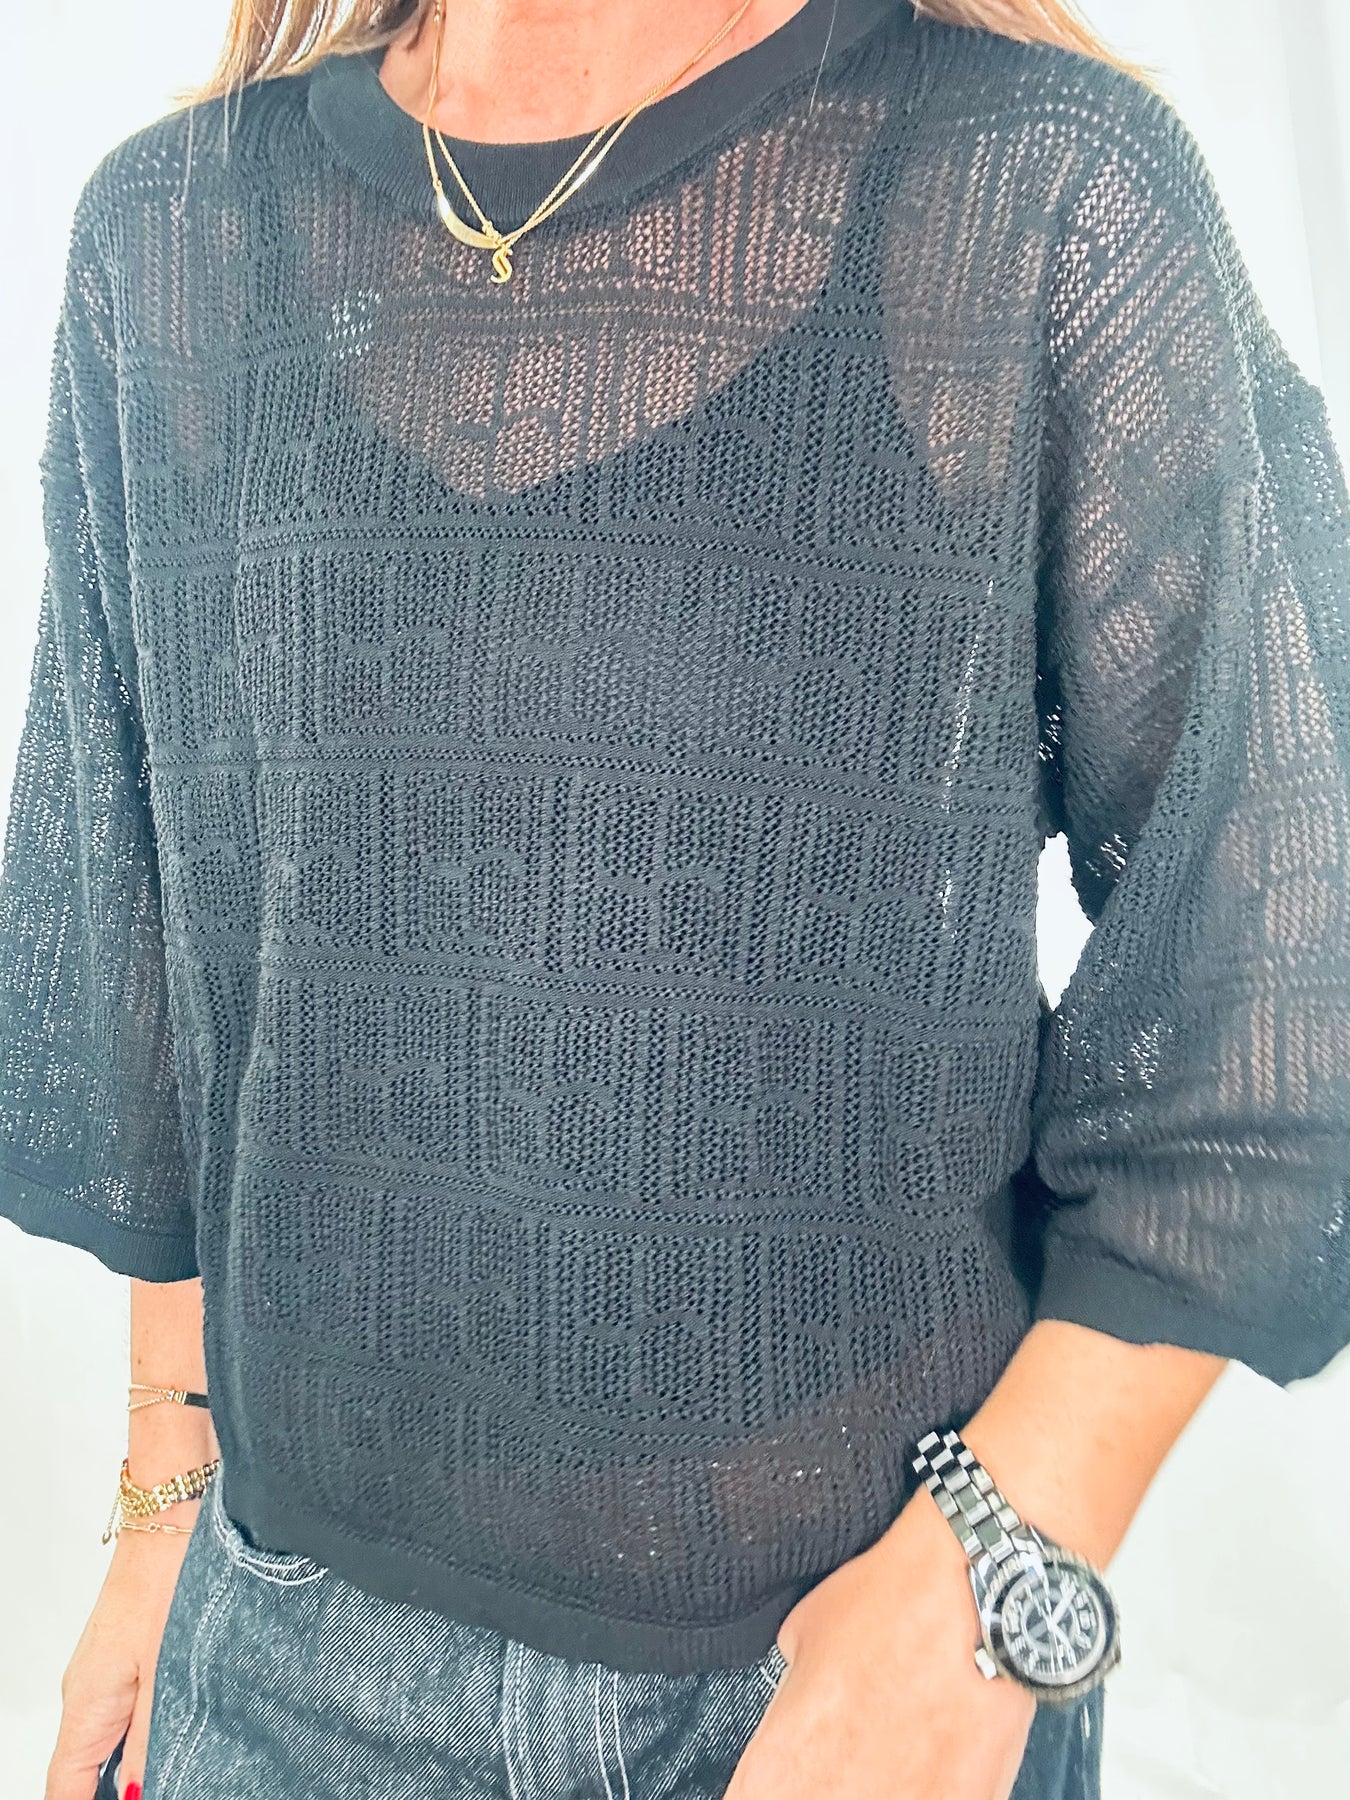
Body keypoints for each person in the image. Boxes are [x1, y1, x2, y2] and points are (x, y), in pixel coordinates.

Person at [3, 1, 1348, 1796]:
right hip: (284, 1656)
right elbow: (160, 962)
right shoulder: (169, 232)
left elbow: (1281, 951)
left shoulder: (1026, 191)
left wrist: (983, 1586)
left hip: (835, 1664)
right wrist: (162, 1501)